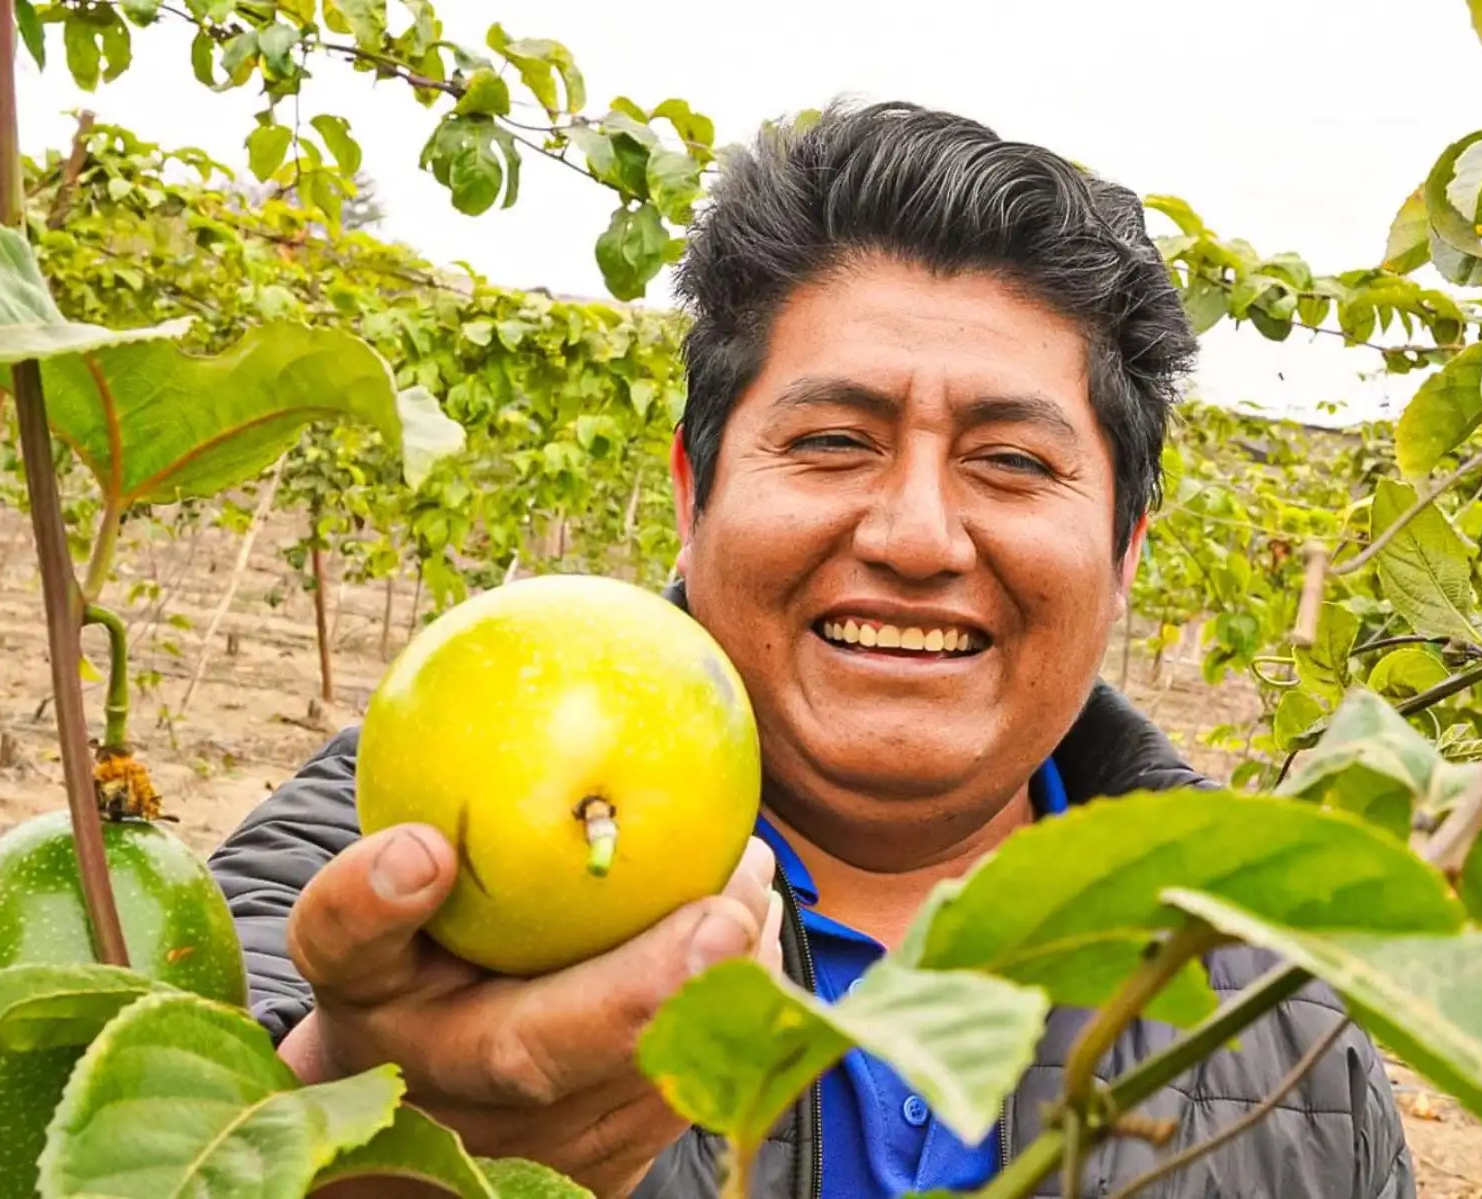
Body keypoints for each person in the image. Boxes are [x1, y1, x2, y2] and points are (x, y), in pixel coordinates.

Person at [207, 100, 1416, 1199]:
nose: (916, 536)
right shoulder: (363, 884)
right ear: (694, 493)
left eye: (1011, 460)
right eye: (835, 440)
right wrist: (338, 1130)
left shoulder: (1276, 1002)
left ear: (1124, 549)